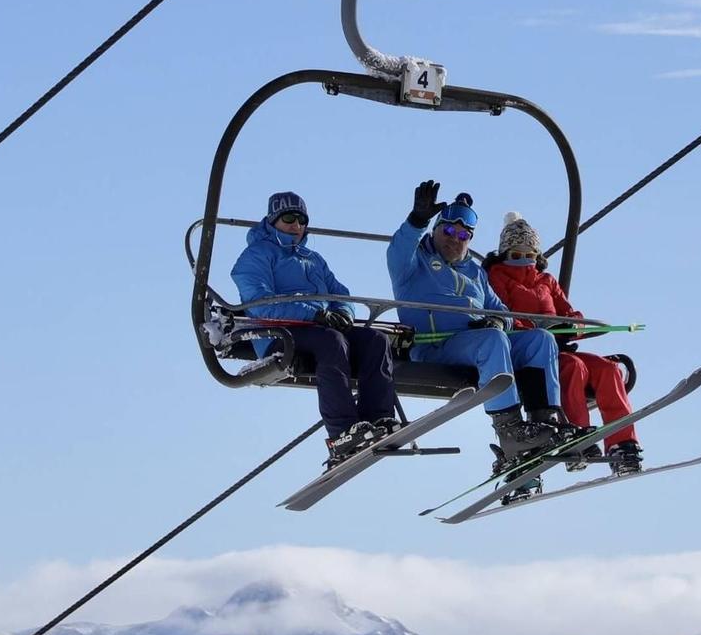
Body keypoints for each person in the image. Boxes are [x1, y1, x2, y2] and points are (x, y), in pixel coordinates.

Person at [387, 181, 568, 476]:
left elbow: (502, 312)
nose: (454, 240)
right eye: (448, 231)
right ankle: (510, 430)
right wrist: (416, 220)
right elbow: (398, 248)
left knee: (540, 339)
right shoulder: (412, 263)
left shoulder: (474, 271)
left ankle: (544, 421)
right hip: (436, 348)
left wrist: (498, 320)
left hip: (477, 344)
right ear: (435, 230)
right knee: (492, 340)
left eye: (462, 235)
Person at [232, 191, 399, 466]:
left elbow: (340, 294)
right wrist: (317, 315)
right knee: (331, 341)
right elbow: (262, 304)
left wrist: (342, 313)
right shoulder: (255, 257)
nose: (296, 225)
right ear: (273, 221)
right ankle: (342, 433)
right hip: (278, 334)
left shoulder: (313, 259)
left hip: (319, 328)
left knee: (375, 340)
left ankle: (376, 419)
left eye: (301, 220)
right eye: (289, 218)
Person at [482, 213, 643, 475]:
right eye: (516, 255)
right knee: (573, 368)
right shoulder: (497, 277)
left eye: (529, 255)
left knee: (608, 369)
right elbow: (501, 315)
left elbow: (571, 315)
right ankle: (578, 435)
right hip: (529, 352)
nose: (524, 261)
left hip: (560, 346)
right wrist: (538, 330)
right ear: (504, 255)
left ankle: (622, 443)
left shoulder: (546, 281)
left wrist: (570, 329)